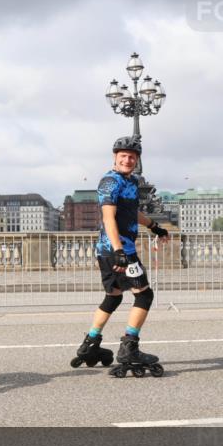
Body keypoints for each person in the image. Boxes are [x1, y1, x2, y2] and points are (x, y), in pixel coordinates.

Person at [72, 134, 170, 375]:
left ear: (136, 161)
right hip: (119, 251)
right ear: (115, 158)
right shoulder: (110, 182)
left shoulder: (132, 182)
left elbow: (131, 211)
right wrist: (119, 252)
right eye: (124, 156)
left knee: (113, 297)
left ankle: (90, 343)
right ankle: (129, 346)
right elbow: (108, 217)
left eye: (132, 157)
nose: (128, 160)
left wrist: (153, 225)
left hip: (114, 251)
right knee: (145, 296)